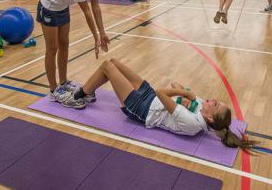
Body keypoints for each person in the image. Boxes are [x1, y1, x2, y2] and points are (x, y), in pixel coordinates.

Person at [70, 58, 257, 151]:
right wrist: (182, 93)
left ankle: (78, 95)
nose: (214, 100)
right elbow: (175, 85)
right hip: (150, 97)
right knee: (113, 63)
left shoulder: (193, 123)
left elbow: (161, 92)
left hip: (142, 109)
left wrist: (184, 94)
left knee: (107, 67)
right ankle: (88, 92)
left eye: (216, 105)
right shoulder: (200, 106)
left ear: (209, 117)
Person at [37, 0, 112, 108]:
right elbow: (87, 12)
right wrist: (95, 37)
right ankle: (54, 90)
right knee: (52, 49)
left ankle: (63, 82)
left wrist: (102, 33)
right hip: (48, 6)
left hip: (62, 7)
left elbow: (95, 7)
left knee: (64, 44)